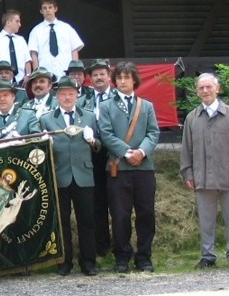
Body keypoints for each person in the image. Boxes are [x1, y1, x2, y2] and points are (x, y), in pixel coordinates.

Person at [180, 73, 229, 270]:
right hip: (202, 178)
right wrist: (188, 173)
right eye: (201, 88)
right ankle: (208, 255)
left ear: (217, 89)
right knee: (206, 220)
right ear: (196, 91)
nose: (205, 91)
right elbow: (186, 149)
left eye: (208, 87)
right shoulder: (192, 118)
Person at [98, 62, 160, 273]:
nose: (122, 81)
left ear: (134, 79)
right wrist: (126, 152)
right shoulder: (105, 106)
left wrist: (141, 152)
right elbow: (105, 134)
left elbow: (153, 133)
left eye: (126, 77)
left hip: (144, 169)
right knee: (120, 215)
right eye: (119, 78)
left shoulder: (147, 106)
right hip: (118, 169)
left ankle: (144, 257)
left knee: (146, 214)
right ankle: (122, 256)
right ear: (114, 81)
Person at [39, 77, 100, 276]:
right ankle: (64, 262)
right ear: (56, 96)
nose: (67, 97)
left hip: (84, 174)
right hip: (60, 175)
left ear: (77, 95)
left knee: (87, 220)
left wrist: (92, 141)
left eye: (71, 93)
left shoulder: (89, 117)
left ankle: (88, 262)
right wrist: (45, 144)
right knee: (62, 221)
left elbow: (100, 147)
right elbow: (40, 154)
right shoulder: (47, 119)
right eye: (63, 94)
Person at [81, 59, 117, 256]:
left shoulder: (119, 99)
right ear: (90, 79)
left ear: (109, 76)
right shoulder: (84, 101)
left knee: (118, 201)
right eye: (95, 75)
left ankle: (121, 246)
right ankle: (102, 246)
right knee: (97, 201)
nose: (98, 78)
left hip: (114, 154)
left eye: (102, 74)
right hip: (92, 155)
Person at [27, 0, 83, 81]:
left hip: (66, 71)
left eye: (50, 7)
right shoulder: (35, 31)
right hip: (45, 74)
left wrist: (74, 70)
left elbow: (74, 50)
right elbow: (34, 54)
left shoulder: (67, 28)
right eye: (45, 8)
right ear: (41, 11)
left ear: (55, 9)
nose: (48, 10)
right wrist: (37, 74)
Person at [0, 9, 32, 86]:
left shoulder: (21, 39)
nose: (20, 24)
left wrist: (28, 75)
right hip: (1, 79)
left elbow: (27, 60)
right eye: (17, 21)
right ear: (8, 22)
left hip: (20, 80)